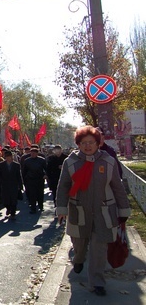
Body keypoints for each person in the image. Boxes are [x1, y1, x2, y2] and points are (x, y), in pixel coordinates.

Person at [56, 125, 131, 297]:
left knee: (99, 249)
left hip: (103, 212)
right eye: (84, 143)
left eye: (91, 142)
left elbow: (118, 187)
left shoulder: (108, 161)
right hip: (78, 211)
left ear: (98, 144)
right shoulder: (71, 161)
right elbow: (63, 187)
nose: (88, 146)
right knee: (79, 244)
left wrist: (123, 210)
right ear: (78, 144)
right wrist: (61, 209)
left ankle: (97, 282)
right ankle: (79, 259)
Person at [0, 150, 24, 220]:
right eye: (7, 157)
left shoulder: (16, 165)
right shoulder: (1, 164)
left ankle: (13, 213)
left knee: (13, 199)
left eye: (9, 156)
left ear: (12, 157)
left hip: (14, 185)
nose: (8, 158)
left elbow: (19, 176)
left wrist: (20, 185)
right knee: (5, 199)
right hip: (5, 185)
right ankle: (8, 208)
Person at [22, 147, 48, 213]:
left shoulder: (42, 160)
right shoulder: (27, 161)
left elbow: (46, 169)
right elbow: (24, 171)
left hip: (39, 179)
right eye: (31, 153)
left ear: (37, 153)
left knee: (40, 194)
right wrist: (24, 179)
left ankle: (40, 206)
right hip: (30, 180)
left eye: (34, 153)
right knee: (32, 194)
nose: (33, 154)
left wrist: (45, 175)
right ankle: (33, 208)